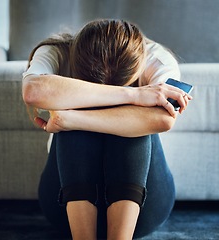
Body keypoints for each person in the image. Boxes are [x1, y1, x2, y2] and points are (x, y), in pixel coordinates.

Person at [22, 19, 192, 240]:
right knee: (93, 120)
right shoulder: (56, 51)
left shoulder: (156, 57)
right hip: (64, 204)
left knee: (134, 125)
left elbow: (163, 119)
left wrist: (70, 119)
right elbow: (33, 91)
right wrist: (133, 95)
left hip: (144, 208)